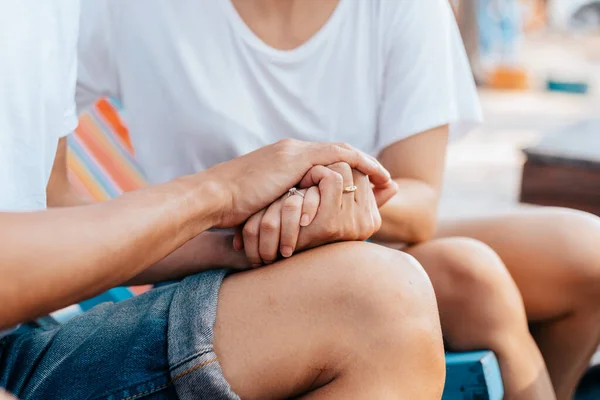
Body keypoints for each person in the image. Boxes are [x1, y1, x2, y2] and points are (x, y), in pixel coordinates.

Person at [77, 0, 600, 399]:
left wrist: (320, 205)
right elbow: (50, 170)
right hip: (222, 250)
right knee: (471, 275)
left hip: (371, 227)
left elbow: (418, 203)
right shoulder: (132, 10)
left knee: (587, 253)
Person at [0, 2, 447, 399]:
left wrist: (241, 240)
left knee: (388, 297)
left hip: (26, 337)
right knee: (385, 300)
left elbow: (51, 209)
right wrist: (220, 192)